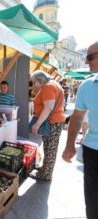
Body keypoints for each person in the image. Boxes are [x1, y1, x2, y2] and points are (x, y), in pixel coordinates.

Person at [62, 41, 98, 219]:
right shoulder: (86, 86)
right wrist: (69, 145)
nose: (86, 62)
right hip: (92, 151)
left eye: (90, 57)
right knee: (92, 202)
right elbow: (76, 117)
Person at [29, 70, 65, 181]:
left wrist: (37, 124)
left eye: (34, 82)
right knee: (49, 148)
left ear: (40, 80)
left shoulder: (48, 87)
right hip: (54, 121)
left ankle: (46, 175)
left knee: (50, 150)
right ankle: (45, 169)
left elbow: (48, 107)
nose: (33, 85)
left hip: (52, 122)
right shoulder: (53, 85)